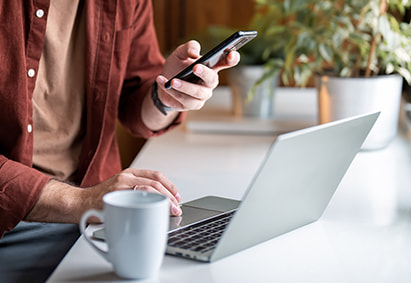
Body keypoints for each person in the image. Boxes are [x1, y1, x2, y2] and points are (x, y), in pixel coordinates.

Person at [0, 1, 240, 282]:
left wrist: (165, 96)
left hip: (95, 217)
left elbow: (133, 101)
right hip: (16, 226)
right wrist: (85, 200)